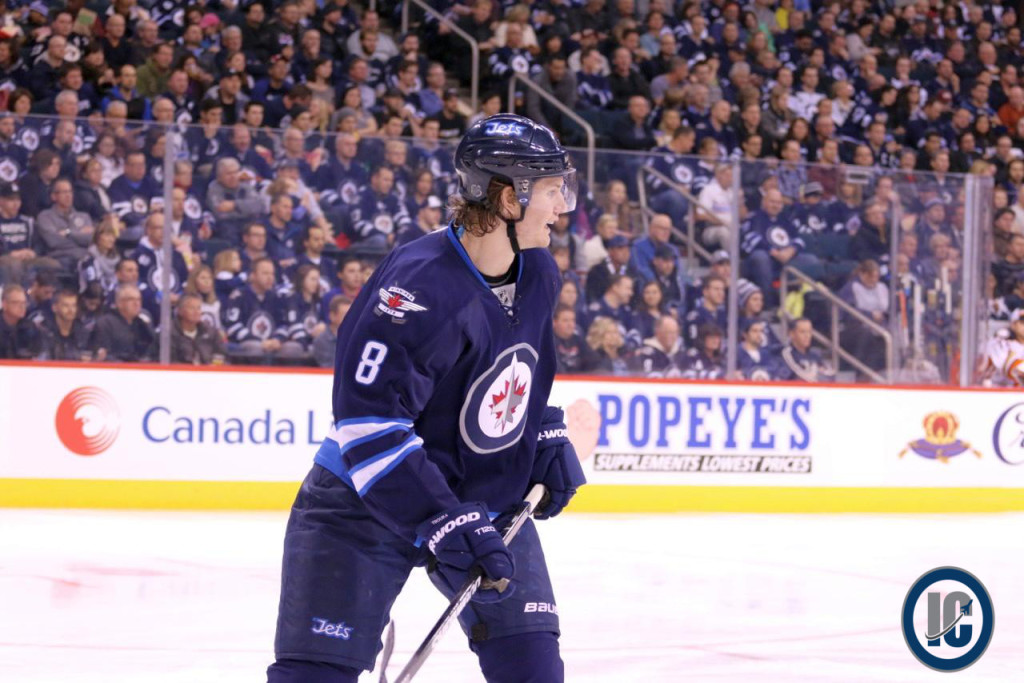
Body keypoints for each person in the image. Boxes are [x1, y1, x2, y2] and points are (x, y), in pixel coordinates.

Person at [267, 114, 586, 682]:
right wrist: (440, 517)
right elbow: (368, 425)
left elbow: (516, 372)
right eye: (552, 190)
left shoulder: (538, 271)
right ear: (508, 198)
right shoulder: (417, 287)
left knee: (533, 669)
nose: (563, 206)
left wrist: (538, 431)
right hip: (365, 504)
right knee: (315, 675)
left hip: (482, 500)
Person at [170, 293, 226, 365]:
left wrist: (214, 367)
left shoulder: (211, 332)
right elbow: (170, 362)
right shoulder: (170, 334)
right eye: (192, 308)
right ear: (180, 311)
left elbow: (221, 356)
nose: (196, 312)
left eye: (199, 308)